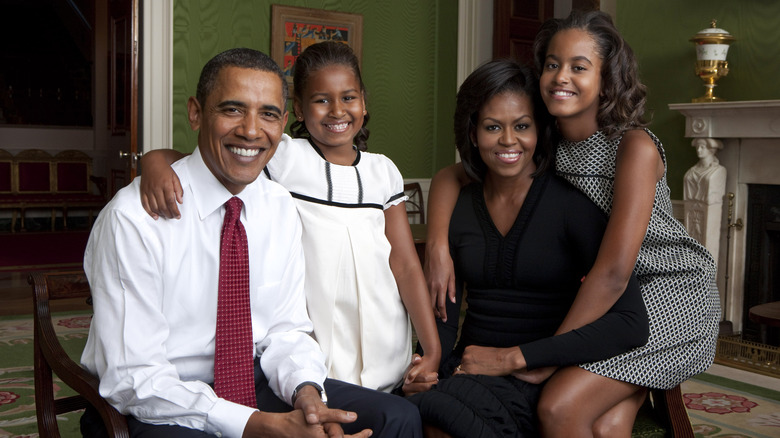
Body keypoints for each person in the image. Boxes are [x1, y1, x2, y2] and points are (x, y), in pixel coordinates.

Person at [80, 47, 422, 438]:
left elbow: (287, 330)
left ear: (284, 121)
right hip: (157, 401)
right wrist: (260, 427)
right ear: (195, 113)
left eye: (268, 114)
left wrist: (307, 396)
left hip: (253, 378)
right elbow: (133, 378)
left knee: (397, 419)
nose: (251, 130)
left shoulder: (277, 205)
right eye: (232, 109)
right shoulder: (134, 217)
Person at [425, 10, 720, 436]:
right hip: (614, 298)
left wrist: (541, 354)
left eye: (579, 67)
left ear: (608, 78)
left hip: (670, 295)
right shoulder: (549, 140)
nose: (561, 76)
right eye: (551, 64)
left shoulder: (632, 147)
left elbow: (615, 271)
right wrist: (437, 243)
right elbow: (452, 175)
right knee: (607, 424)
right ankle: (628, 394)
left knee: (559, 407)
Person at [138, 41, 441, 395]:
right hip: (317, 336)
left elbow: (404, 264)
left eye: (348, 97)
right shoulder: (283, 156)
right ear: (297, 108)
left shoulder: (383, 171)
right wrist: (153, 160)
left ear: (363, 102)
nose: (337, 111)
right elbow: (208, 160)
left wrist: (431, 350)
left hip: (383, 328)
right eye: (321, 100)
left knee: (390, 413)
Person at [405, 58, 648, 438]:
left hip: (537, 375)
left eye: (521, 126)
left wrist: (530, 358)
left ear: (539, 130)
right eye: (491, 127)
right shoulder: (460, 204)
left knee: (441, 422)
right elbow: (444, 312)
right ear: (472, 134)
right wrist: (426, 365)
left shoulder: (572, 204)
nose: (507, 141)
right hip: (470, 365)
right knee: (410, 411)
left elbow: (630, 323)